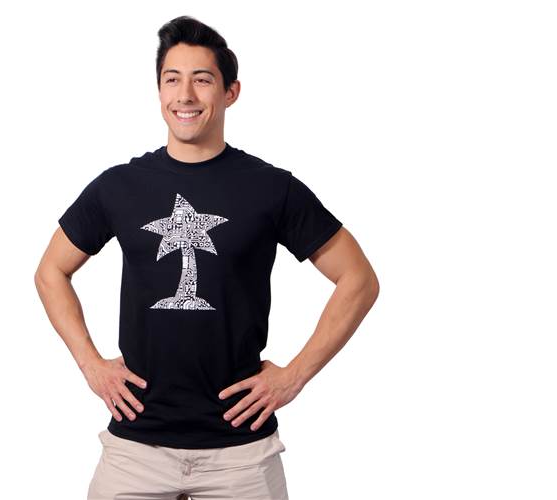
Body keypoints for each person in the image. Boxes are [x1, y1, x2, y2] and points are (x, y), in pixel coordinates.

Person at [34, 15, 379, 500]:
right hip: (135, 446)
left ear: (230, 92)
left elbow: (359, 279)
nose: (185, 95)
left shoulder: (271, 188)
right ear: (158, 92)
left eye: (202, 79)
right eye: (172, 79)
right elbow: (51, 271)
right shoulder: (118, 187)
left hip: (242, 453)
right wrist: (91, 363)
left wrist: (294, 376)